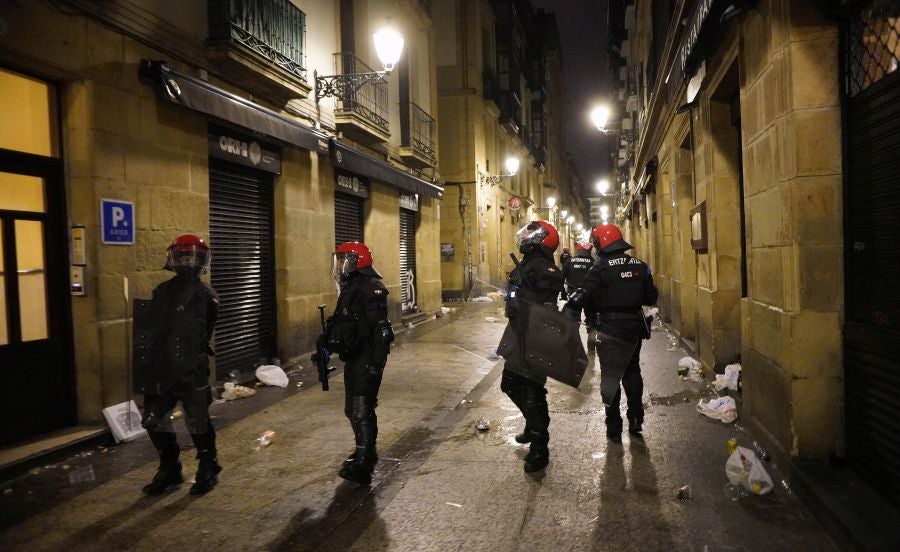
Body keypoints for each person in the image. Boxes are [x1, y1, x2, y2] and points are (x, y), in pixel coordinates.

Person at [138, 234, 221, 495]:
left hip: (191, 367)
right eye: (182, 255)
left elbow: (199, 331)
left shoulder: (205, 295)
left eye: (192, 256)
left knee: (197, 420)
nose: (187, 261)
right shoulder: (162, 291)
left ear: (201, 260)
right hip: (161, 366)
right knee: (154, 420)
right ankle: (169, 468)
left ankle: (208, 465)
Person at [564, 224, 658, 443]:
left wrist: (568, 314)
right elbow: (651, 296)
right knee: (632, 371)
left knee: (610, 376)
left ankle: (613, 425)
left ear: (600, 244)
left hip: (608, 328)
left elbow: (583, 295)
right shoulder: (641, 266)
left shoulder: (600, 268)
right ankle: (636, 419)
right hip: (634, 327)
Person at [321, 241, 394, 485]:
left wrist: (375, 364)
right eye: (339, 259)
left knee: (361, 410)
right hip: (355, 357)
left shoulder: (370, 288)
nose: (340, 264)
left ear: (356, 261)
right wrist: (326, 344)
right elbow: (345, 321)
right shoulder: (352, 286)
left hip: (366, 358)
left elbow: (382, 331)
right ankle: (364, 450)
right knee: (353, 410)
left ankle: (365, 462)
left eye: (343, 259)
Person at [499, 221, 564, 472]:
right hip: (518, 332)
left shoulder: (546, 268)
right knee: (512, 384)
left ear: (544, 240)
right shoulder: (528, 264)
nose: (527, 238)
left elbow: (544, 299)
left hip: (534, 335)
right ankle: (534, 424)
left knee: (530, 389)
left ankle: (540, 446)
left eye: (533, 234)